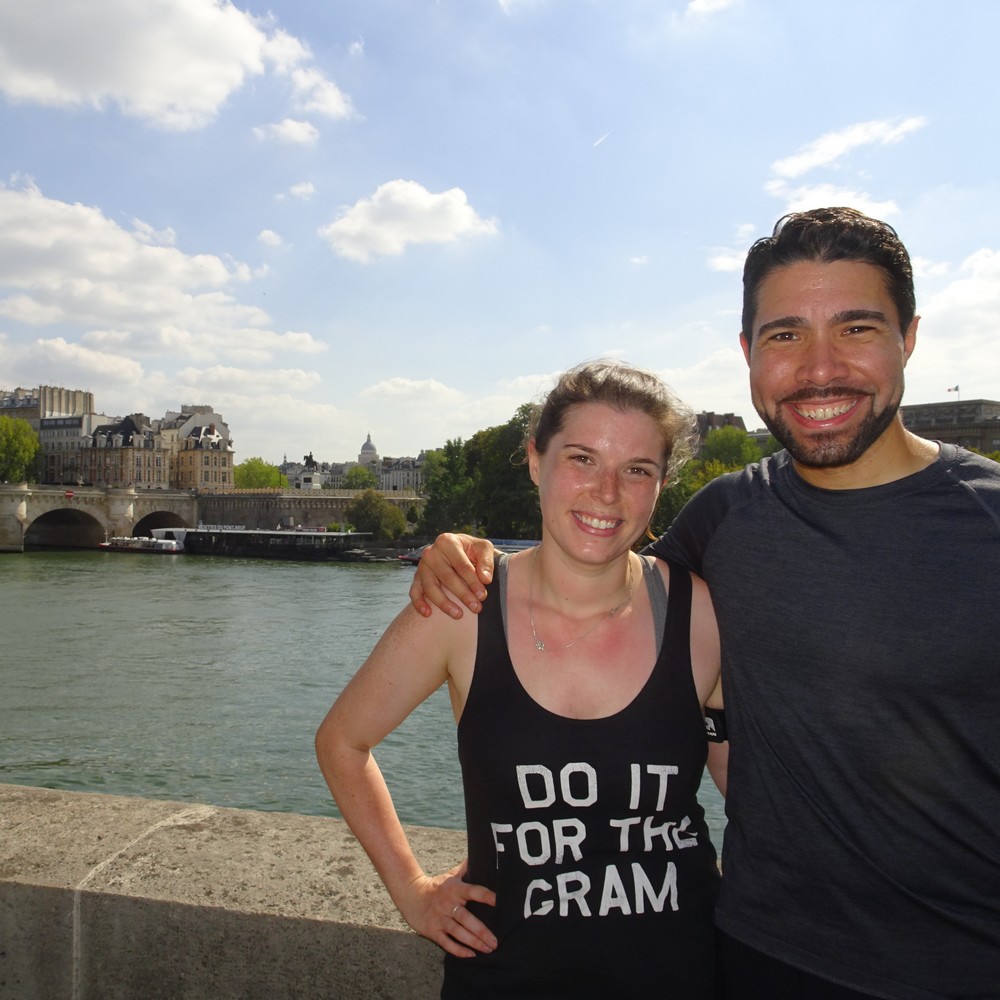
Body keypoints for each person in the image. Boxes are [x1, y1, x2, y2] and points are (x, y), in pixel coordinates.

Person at [409, 208, 1000, 999]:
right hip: (754, 953)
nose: (820, 368)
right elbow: (595, 575)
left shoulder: (987, 520)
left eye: (856, 328)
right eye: (786, 335)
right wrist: (463, 556)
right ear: (749, 352)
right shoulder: (725, 519)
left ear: (910, 337)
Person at [316, 360, 726, 998]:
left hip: (682, 970)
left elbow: (755, 797)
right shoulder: (464, 607)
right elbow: (342, 742)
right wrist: (412, 890)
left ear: (661, 485)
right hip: (503, 977)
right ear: (536, 461)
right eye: (582, 459)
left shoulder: (701, 615)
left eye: (636, 470)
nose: (606, 492)